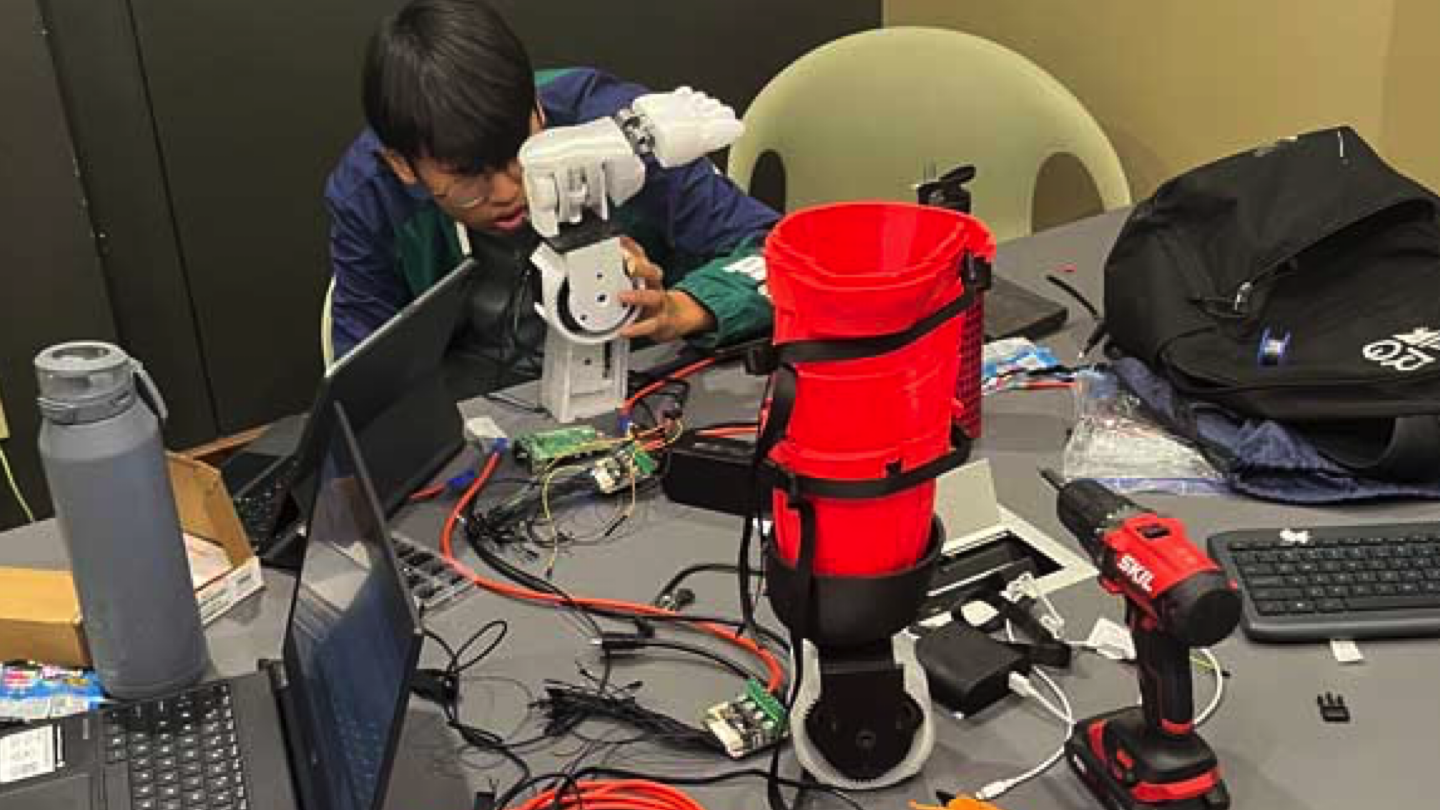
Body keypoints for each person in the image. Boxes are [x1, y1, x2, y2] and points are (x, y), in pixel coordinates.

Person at [324, 0, 778, 392]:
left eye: (520, 155)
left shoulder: (619, 132)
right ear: (403, 165)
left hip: (646, 369)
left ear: (537, 109)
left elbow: (775, 251)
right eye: (469, 178)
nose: (508, 192)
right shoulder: (369, 195)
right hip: (477, 395)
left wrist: (684, 307)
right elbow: (364, 369)